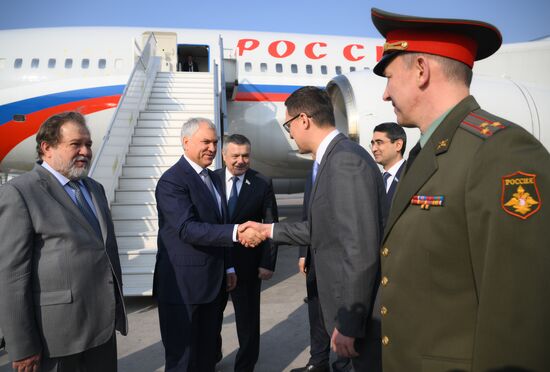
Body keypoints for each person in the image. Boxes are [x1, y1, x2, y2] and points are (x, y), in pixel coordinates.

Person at [371, 7, 550, 372]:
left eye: (389, 78)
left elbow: (519, 314)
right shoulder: (428, 151)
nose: (385, 95)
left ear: (421, 70)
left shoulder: (501, 152)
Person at [240, 86, 386, 372]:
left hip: (358, 315)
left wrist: (349, 323)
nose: (290, 133)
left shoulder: (344, 160)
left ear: (304, 120)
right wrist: (267, 230)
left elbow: (360, 248)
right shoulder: (331, 158)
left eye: (289, 125)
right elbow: (323, 229)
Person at [0, 111, 127, 372]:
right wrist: (23, 346)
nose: (85, 151)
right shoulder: (20, 192)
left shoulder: (94, 189)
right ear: (47, 148)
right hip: (56, 339)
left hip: (101, 333)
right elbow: (12, 277)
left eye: (88, 144)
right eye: (76, 144)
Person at [153, 118, 263, 372]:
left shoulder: (212, 179)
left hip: (213, 287)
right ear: (186, 142)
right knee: (183, 361)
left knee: (206, 359)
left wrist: (228, 268)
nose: (212, 148)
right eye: (206, 142)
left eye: (214, 142)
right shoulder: (173, 181)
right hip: (183, 288)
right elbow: (186, 228)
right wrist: (236, 232)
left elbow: (218, 220)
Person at [214, 134, 278, 372]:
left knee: (248, 319)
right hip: (216, 261)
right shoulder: (211, 180)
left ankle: (246, 364)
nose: (241, 161)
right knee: (212, 315)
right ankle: (212, 353)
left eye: (246, 156)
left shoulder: (262, 183)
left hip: (248, 263)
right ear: (224, 155)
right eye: (235, 156)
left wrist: (268, 262)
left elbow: (272, 223)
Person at [293, 164, 351, 372]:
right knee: (316, 310)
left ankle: (343, 363)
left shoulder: (341, 169)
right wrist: (303, 252)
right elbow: (306, 216)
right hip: (315, 254)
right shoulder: (313, 172)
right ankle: (318, 361)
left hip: (338, 255)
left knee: (339, 310)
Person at [370, 122, 406, 205]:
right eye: (373, 143)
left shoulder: (411, 175)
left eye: (379, 143)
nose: (374, 149)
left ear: (398, 145)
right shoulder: (374, 180)